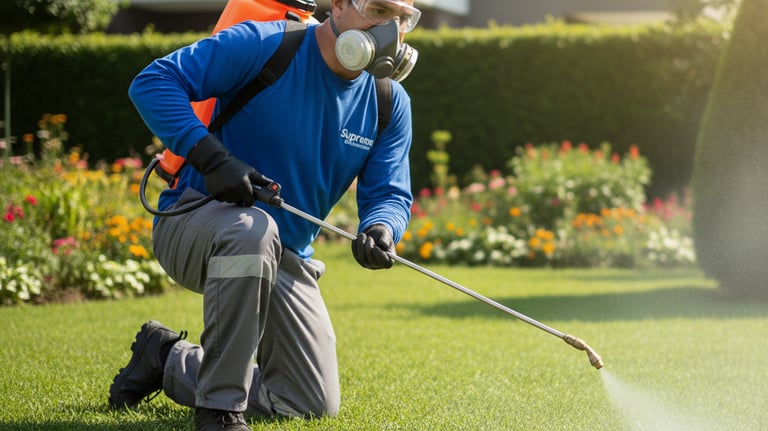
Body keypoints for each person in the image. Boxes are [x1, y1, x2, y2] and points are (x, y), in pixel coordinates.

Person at [108, 0, 421, 430]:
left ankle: (164, 358)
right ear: (339, 5)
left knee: (308, 402)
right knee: (253, 230)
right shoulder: (267, 43)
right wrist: (212, 160)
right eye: (378, 9)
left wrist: (382, 227)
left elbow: (389, 192)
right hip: (193, 222)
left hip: (283, 255)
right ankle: (220, 410)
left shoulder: (389, 101)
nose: (390, 27)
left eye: (403, 17)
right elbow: (153, 81)